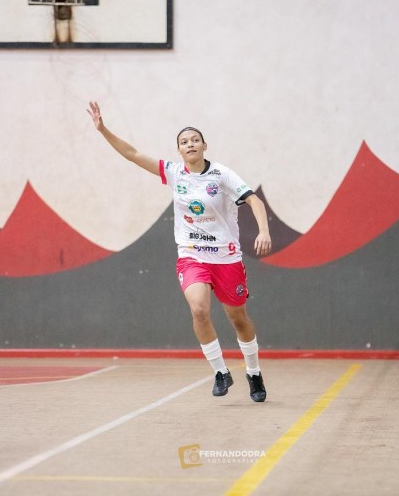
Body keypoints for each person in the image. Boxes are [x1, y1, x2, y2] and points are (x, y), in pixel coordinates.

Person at [88, 101, 271, 402]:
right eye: (184, 142)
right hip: (192, 255)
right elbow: (133, 155)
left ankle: (253, 371)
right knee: (199, 308)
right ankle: (220, 372)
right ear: (179, 150)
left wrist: (263, 231)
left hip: (226, 258)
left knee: (238, 318)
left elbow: (255, 201)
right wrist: (102, 129)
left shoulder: (222, 175)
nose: (190, 144)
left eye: (195, 140)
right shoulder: (174, 173)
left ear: (204, 146)